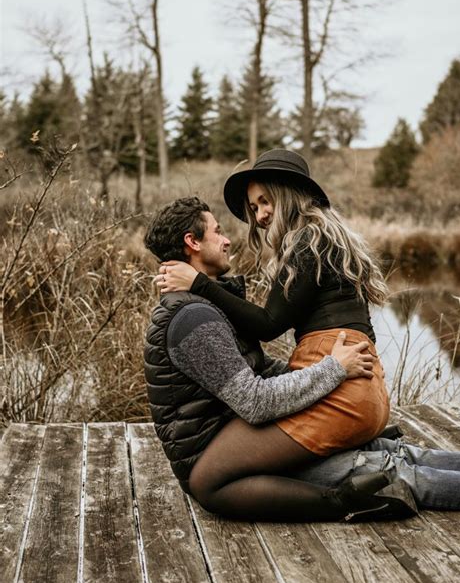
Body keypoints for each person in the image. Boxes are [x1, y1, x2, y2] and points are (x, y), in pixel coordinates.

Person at [145, 197, 460, 521]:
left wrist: (325, 379)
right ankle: (353, 499)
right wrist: (331, 371)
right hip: (221, 450)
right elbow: (253, 400)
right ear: (193, 242)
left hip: (238, 445)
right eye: (217, 231)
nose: (228, 239)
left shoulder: (203, 307)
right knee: (377, 465)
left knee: (378, 462)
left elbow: (256, 370)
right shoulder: (193, 318)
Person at [157, 149, 389, 459]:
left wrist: (200, 285)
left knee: (216, 471)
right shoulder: (326, 238)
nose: (259, 215)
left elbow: (268, 324)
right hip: (362, 382)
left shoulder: (308, 242)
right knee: (376, 463)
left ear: (290, 195)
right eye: (254, 207)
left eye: (265, 202)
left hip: (343, 382)